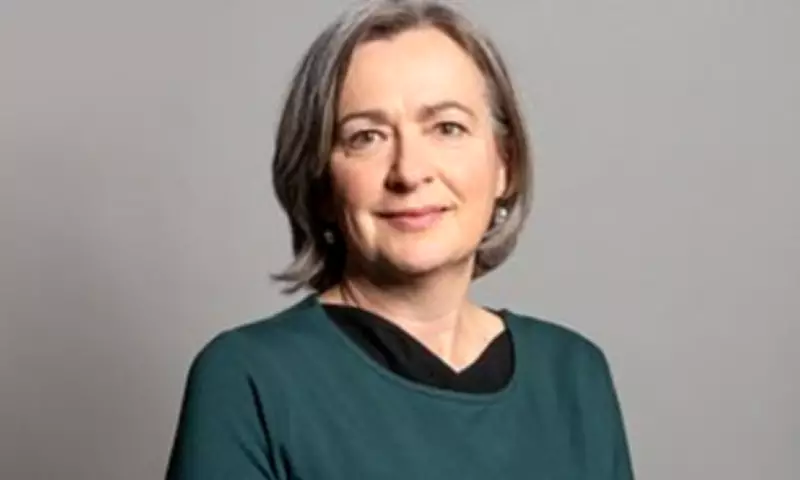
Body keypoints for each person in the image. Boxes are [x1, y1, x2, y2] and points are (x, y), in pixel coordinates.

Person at [165, 0, 634, 478]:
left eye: (447, 128)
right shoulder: (251, 380)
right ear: (321, 180)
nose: (409, 172)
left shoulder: (573, 376)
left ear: (504, 166)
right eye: (367, 137)